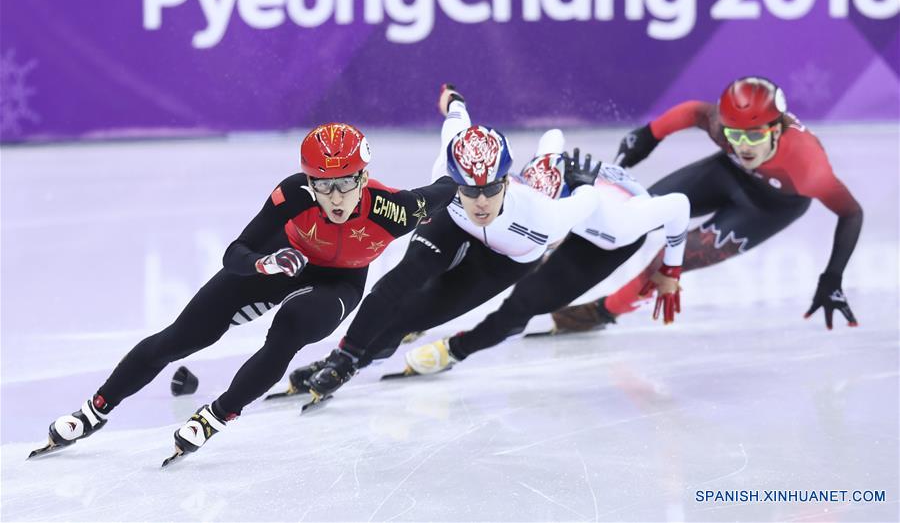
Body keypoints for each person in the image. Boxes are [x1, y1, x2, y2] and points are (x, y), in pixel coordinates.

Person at [34, 122, 459, 463]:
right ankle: (94, 410)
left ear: (363, 177)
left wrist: (466, 156)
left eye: (345, 183)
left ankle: (217, 415)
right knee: (181, 337)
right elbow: (235, 252)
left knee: (290, 328)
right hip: (281, 260)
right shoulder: (294, 193)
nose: (334, 197)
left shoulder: (396, 210)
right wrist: (263, 264)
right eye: (322, 183)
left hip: (338, 283)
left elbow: (448, 184)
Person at [280, 85, 607, 400]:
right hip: (453, 221)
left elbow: (588, 201)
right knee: (404, 278)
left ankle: (357, 360)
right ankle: (342, 360)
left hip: (505, 258)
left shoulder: (544, 217)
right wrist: (453, 100)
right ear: (454, 180)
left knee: (412, 317)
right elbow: (456, 117)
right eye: (470, 190)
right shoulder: (447, 171)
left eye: (491, 189)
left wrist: (584, 187)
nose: (481, 202)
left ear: (507, 182)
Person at [551, 76, 863, 333]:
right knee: (636, 213)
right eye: (735, 135)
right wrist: (648, 135)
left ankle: (602, 312)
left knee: (670, 260)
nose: (744, 146)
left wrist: (832, 276)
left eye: (755, 137)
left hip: (769, 209)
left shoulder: (807, 167)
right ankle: (554, 254)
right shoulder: (719, 126)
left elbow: (851, 213)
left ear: (777, 130)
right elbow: (691, 111)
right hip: (727, 175)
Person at [399, 153, 691, 377]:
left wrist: (671, 270)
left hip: (603, 244)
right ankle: (420, 316)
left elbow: (680, 204)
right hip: (579, 216)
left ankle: (456, 350)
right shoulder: (530, 186)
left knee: (524, 304)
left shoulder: (622, 223)